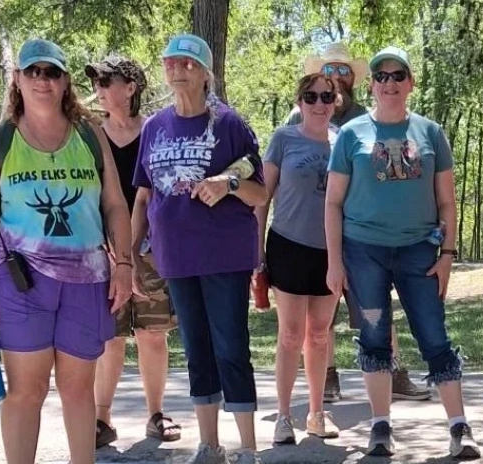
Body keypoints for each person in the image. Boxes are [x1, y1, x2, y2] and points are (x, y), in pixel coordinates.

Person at [0, 38, 132, 464]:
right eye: (33, 71)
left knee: (78, 389)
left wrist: (124, 264)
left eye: (52, 72)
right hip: (20, 281)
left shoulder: (89, 134)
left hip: (88, 278)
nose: (43, 80)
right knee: (27, 390)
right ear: (18, 79)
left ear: (65, 81)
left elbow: (115, 204)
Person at [325, 46, 480, 459]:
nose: (389, 83)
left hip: (419, 251)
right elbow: (333, 203)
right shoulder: (351, 135)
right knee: (374, 337)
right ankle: (380, 427)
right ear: (372, 85)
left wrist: (447, 253)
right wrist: (335, 262)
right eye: (381, 76)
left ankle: (459, 428)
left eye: (398, 75)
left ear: (410, 83)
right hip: (364, 251)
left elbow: (446, 202)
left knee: (434, 335)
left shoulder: (430, 133)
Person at [132, 33, 267, 464]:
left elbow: (259, 192)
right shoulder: (154, 127)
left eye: (188, 63)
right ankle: (210, 445)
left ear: (206, 73)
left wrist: (226, 183)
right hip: (175, 257)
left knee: (231, 348)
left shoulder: (229, 124)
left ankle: (248, 448)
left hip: (224, 256)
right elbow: (144, 197)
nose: (178, 69)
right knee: (196, 351)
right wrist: (130, 255)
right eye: (171, 62)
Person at [282, 42, 430, 403]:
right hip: (311, 232)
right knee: (322, 314)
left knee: (376, 304)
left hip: (361, 229)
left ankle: (394, 372)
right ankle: (328, 378)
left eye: (342, 71)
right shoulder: (298, 116)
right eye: (329, 70)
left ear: (352, 78)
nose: (335, 77)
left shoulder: (367, 116)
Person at [84, 55, 182, 448]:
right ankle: (101, 419)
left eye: (106, 81)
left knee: (152, 335)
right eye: (96, 82)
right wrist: (109, 250)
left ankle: (156, 414)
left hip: (153, 249)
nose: (99, 89)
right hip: (102, 251)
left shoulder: (156, 131)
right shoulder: (90, 135)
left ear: (131, 87)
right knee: (111, 337)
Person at [255, 72, 344, 445]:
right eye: (311, 97)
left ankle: (316, 413)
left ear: (335, 102)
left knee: (320, 335)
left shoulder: (344, 141)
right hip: (288, 246)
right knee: (291, 334)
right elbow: (262, 198)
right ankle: (284, 415)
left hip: (330, 252)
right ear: (300, 102)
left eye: (326, 97)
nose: (319, 104)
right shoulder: (283, 139)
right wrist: (256, 252)